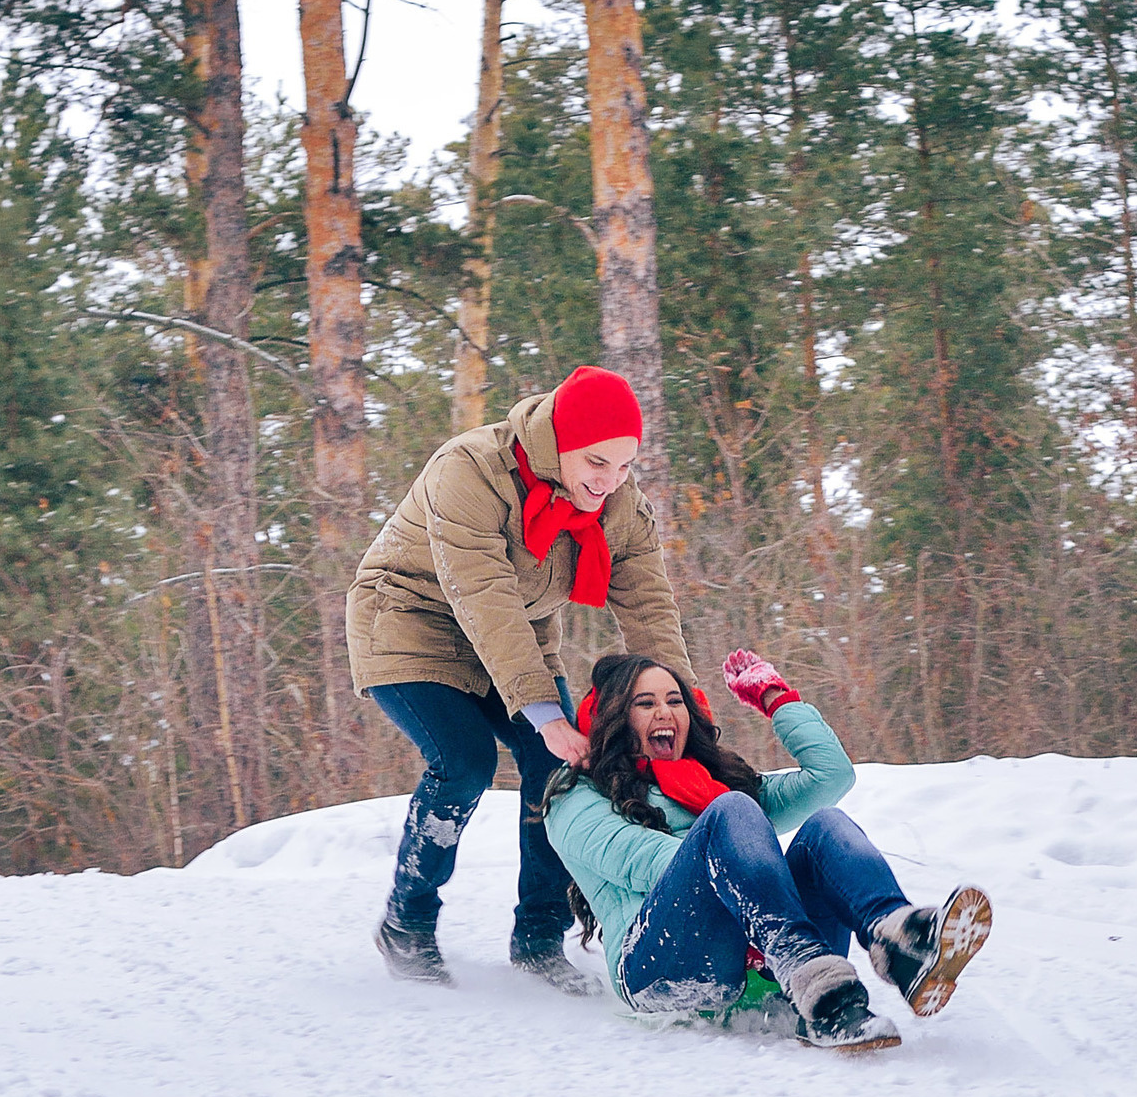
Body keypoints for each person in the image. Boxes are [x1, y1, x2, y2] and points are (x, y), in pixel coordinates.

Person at [348, 364, 699, 991]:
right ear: (558, 441)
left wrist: (683, 707)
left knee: (560, 774)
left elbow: (648, 607)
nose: (610, 482)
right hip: (409, 622)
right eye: (596, 463)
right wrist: (544, 715)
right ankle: (407, 920)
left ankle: (539, 938)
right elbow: (482, 594)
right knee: (463, 761)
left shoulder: (618, 505)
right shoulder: (468, 471)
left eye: (624, 466)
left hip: (514, 643)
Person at [545, 647, 994, 1054]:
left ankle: (899, 942)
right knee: (732, 812)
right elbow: (647, 864)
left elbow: (830, 778)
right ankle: (820, 988)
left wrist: (777, 698)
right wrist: (749, 885)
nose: (665, 711)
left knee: (824, 827)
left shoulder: (714, 784)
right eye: (645, 704)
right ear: (613, 720)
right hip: (661, 970)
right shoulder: (577, 797)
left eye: (675, 700)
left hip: (766, 963)